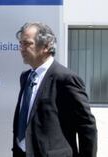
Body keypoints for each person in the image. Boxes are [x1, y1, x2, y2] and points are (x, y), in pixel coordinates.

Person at [12, 22, 97, 157]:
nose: (21, 48)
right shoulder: (25, 77)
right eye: (21, 44)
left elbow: (86, 126)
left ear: (46, 46)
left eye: (27, 43)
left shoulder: (65, 79)